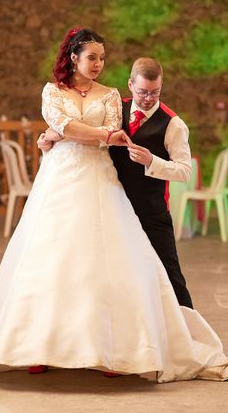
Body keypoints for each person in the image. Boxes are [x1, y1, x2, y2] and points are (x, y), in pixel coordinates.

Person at [0, 27, 228, 382]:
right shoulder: (53, 92)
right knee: (51, 259)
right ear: (74, 57)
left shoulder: (121, 102)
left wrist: (78, 135)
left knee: (115, 264)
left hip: (109, 186)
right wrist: (64, 135)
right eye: (92, 57)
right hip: (61, 181)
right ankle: (38, 345)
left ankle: (125, 346)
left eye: (102, 58)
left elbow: (100, 135)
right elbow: (67, 125)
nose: (98, 64)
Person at [40, 57, 193, 309]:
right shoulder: (112, 109)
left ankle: (188, 334)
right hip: (111, 206)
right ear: (130, 85)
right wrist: (51, 137)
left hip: (149, 210)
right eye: (143, 92)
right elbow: (80, 132)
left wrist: (151, 161)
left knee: (170, 275)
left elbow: (184, 171)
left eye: (155, 93)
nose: (148, 98)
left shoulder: (173, 124)